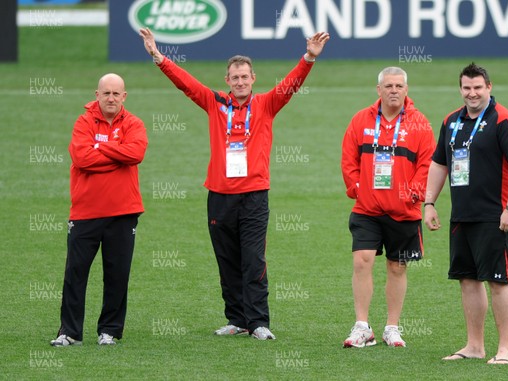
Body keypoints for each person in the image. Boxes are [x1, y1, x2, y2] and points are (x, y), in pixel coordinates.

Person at [139, 28, 329, 340]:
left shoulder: (267, 104)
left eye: (245, 77)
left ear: (253, 78)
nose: (240, 82)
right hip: (219, 196)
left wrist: (308, 57)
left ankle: (258, 322)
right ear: (227, 81)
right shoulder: (215, 103)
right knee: (227, 261)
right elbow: (186, 84)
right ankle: (237, 319)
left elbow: (291, 85)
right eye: (234, 78)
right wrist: (158, 57)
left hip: (254, 196)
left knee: (253, 261)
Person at [423, 63, 508, 364]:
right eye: (467, 88)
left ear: (489, 87)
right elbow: (439, 163)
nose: (472, 93)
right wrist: (429, 202)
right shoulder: (451, 121)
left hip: (495, 216)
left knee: (499, 280)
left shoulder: (503, 120)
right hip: (461, 216)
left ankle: (504, 348)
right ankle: (474, 346)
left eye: (478, 88)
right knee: (468, 280)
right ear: (461, 89)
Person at [341, 67, 436, 348]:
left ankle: (391, 327)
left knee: (397, 267)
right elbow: (349, 158)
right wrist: (356, 188)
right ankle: (362, 326)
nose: (393, 90)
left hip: (404, 211)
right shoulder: (361, 120)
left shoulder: (420, 124)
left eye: (398, 86)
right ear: (378, 90)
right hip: (367, 209)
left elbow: (427, 164)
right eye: (388, 86)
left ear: (406, 90)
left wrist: (414, 193)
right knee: (362, 260)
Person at [50, 74, 148, 346]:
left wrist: (100, 147)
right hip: (85, 212)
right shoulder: (83, 122)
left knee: (117, 274)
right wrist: (117, 153)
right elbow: (81, 158)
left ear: (124, 96)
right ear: (97, 94)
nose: (111, 98)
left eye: (116, 94)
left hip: (123, 212)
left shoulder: (134, 123)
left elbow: (136, 154)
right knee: (75, 274)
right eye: (106, 93)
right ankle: (69, 332)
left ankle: (110, 331)